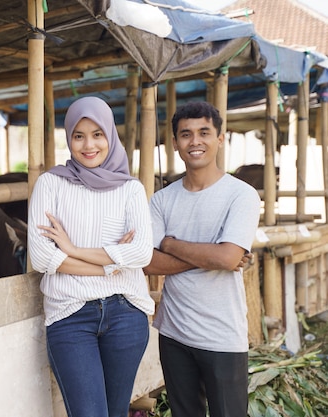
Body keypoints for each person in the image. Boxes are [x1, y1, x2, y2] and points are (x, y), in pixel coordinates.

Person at [28, 96, 155, 417]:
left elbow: (140, 253)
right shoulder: (50, 184)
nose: (89, 145)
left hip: (127, 313)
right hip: (70, 315)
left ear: (110, 136)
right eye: (78, 135)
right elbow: (42, 259)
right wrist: (111, 264)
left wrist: (71, 250)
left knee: (115, 412)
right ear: (68, 137)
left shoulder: (130, 189)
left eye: (98, 134)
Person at [144, 101, 261, 417]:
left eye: (204, 133)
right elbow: (148, 263)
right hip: (174, 334)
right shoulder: (162, 200)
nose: (195, 141)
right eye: (186, 134)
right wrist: (212, 255)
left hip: (222, 336)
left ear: (220, 138)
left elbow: (227, 257)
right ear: (175, 143)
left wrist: (170, 243)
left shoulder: (241, 195)